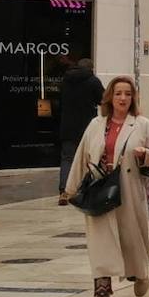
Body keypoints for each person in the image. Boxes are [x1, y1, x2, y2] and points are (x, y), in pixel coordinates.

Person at [65, 76, 149, 297]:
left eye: (128, 94)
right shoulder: (96, 124)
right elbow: (82, 156)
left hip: (127, 189)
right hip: (99, 189)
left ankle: (140, 273)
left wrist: (145, 154)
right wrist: (70, 189)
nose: (123, 98)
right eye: (118, 93)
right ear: (110, 96)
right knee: (101, 245)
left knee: (131, 237)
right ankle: (102, 295)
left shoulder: (142, 124)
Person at [57, 58, 104, 204]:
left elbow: (60, 100)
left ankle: (64, 191)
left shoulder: (66, 80)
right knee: (90, 158)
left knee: (67, 158)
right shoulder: (93, 81)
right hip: (87, 126)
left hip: (68, 125)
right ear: (91, 68)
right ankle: (86, 189)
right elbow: (103, 99)